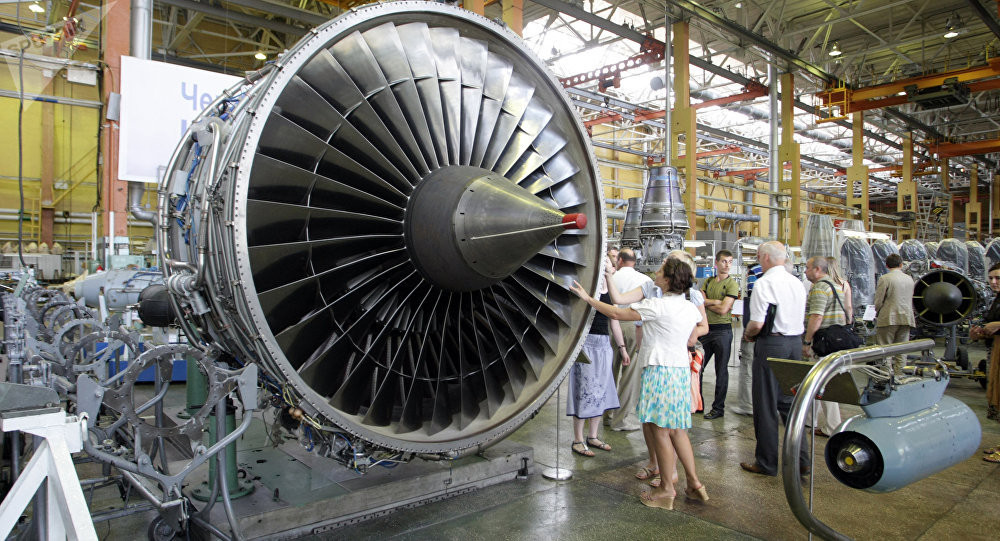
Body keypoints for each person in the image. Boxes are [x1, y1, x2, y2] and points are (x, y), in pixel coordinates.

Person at [570, 258, 709, 510]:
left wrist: (588, 298)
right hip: (679, 372)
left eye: (660, 271)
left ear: (668, 280)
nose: (656, 273)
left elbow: (615, 312)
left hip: (659, 371)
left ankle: (666, 490)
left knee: (660, 432)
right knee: (678, 430)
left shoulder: (657, 305)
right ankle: (695, 483)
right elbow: (695, 335)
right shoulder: (689, 308)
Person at [740, 241, 810, 477]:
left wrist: (748, 334)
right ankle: (802, 460)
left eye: (759, 256)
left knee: (766, 404)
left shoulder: (764, 283)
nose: (759, 261)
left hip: (772, 344)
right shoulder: (797, 282)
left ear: (766, 257)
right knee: (790, 403)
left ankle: (766, 462)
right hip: (794, 343)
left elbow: (757, 323)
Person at [567, 274, 628, 457]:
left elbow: (614, 322)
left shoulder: (611, 292)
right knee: (583, 392)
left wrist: (622, 348)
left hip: (603, 345)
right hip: (585, 344)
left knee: (601, 393)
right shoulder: (584, 285)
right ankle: (578, 439)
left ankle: (592, 436)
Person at [801, 257, 848, 437]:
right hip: (835, 340)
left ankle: (831, 425)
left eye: (807, 268)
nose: (805, 271)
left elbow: (816, 316)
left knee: (821, 382)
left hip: (822, 342)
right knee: (817, 380)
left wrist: (807, 341)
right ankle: (810, 419)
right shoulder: (837, 286)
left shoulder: (820, 288)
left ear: (817, 269)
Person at [608, 248, 652, 432]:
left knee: (609, 371)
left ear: (619, 260)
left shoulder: (612, 277)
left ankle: (606, 414)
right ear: (635, 261)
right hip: (634, 325)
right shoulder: (645, 280)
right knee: (629, 375)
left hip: (611, 324)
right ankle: (620, 421)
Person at [700, 250, 738, 419]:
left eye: (730, 262)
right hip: (706, 330)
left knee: (721, 371)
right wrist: (715, 301)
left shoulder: (732, 284)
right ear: (716, 263)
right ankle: (698, 404)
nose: (727, 265)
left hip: (723, 331)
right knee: (698, 368)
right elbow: (699, 301)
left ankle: (718, 409)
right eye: (724, 261)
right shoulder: (708, 281)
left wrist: (707, 303)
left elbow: (723, 310)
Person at [970, 263, 1000, 463]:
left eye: (998, 278)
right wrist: (980, 331)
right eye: (991, 278)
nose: (994, 282)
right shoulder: (996, 300)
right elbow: (989, 322)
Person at [873, 253, 916, 377]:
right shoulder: (909, 279)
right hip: (906, 317)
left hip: (888, 317)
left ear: (886, 265)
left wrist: (875, 312)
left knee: (885, 349)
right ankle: (900, 375)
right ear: (901, 265)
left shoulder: (885, 279)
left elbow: (879, 300)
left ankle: (886, 376)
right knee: (902, 349)